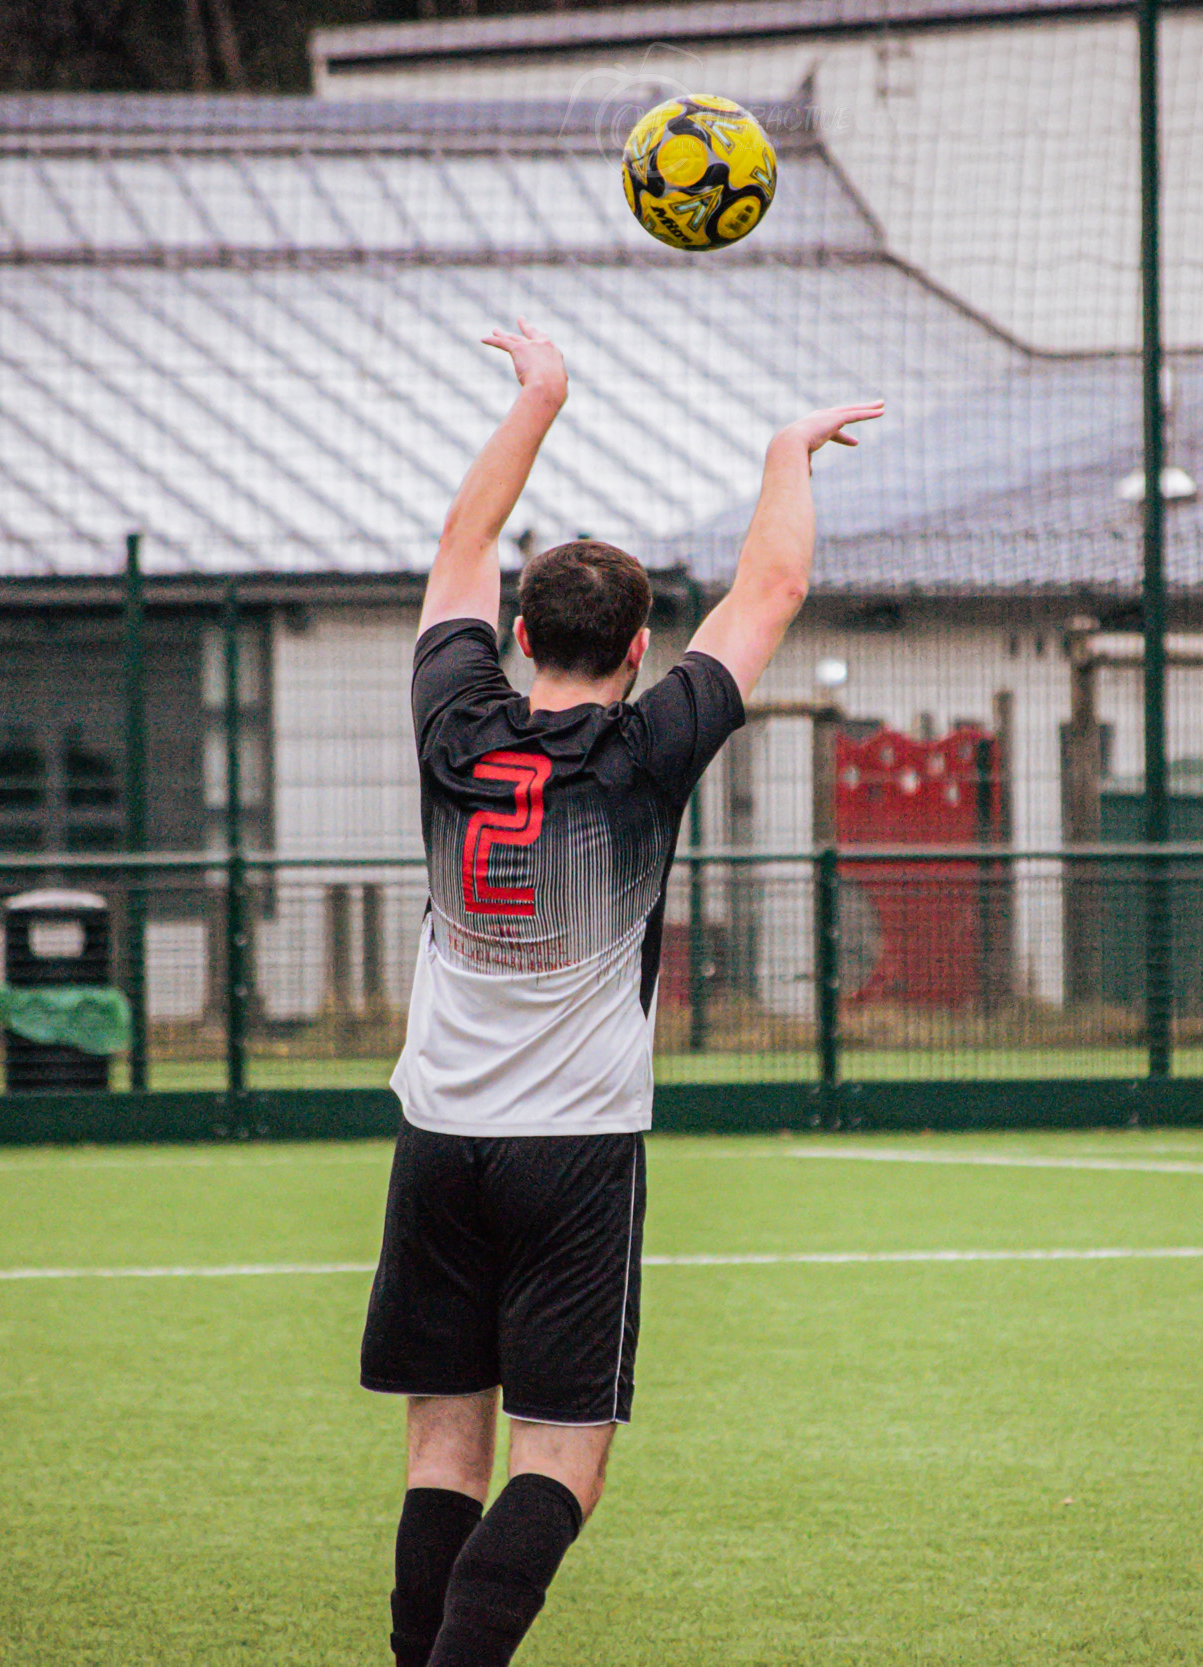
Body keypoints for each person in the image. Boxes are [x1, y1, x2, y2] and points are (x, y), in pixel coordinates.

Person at [359, 318, 882, 1667]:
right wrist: (786, 455)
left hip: (438, 1144)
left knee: (440, 1447)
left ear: (517, 634)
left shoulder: (453, 722)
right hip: (575, 1157)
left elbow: (458, 551)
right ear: (642, 643)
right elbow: (765, 592)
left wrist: (542, 396)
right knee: (565, 1461)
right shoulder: (649, 751)